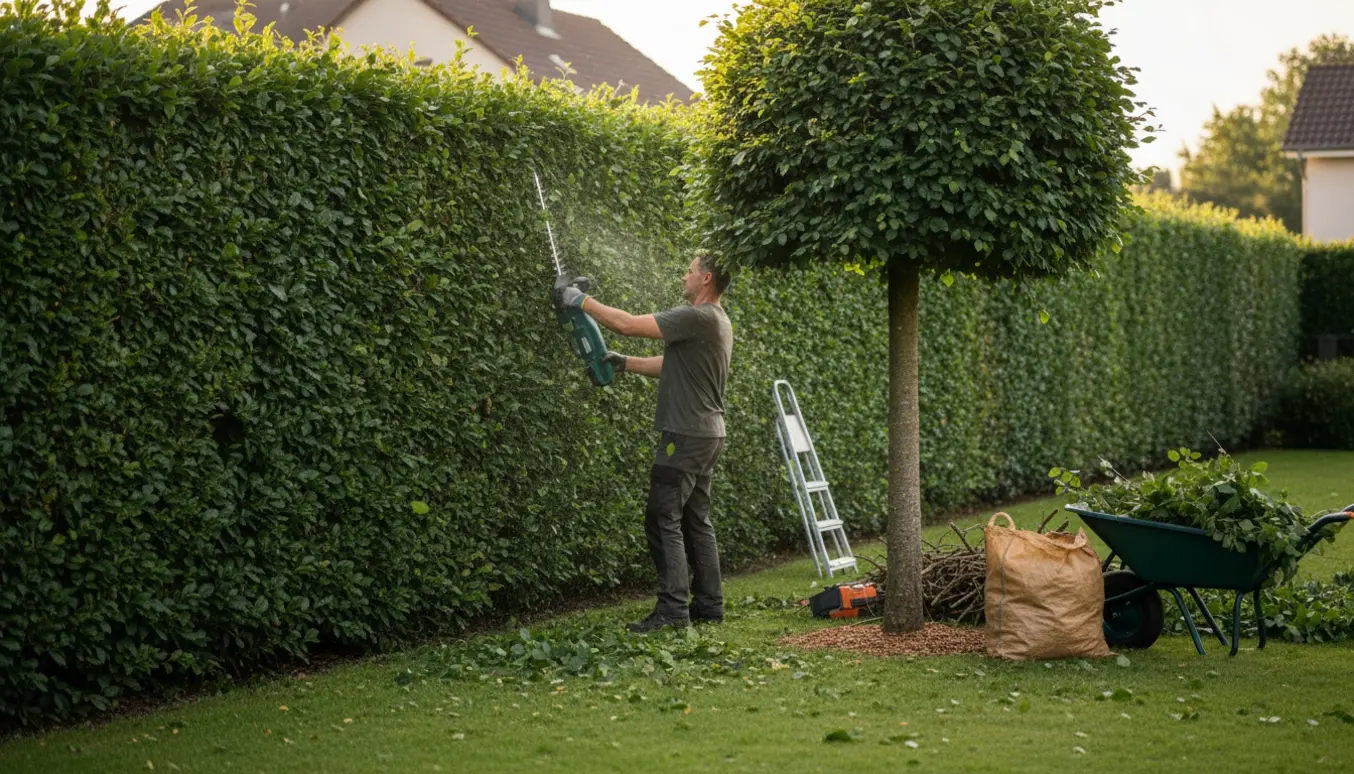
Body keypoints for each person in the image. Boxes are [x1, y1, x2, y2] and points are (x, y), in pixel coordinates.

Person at [557, 255, 734, 633]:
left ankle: (672, 610)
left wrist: (580, 300)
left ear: (705, 278)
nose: (684, 276)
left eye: (690, 271)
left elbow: (627, 324)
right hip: (707, 434)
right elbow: (672, 366)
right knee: (696, 520)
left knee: (662, 516)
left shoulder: (698, 316)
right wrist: (624, 363)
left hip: (685, 434)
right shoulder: (717, 320)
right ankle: (709, 606)